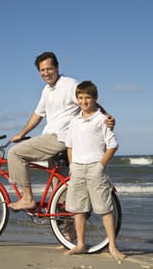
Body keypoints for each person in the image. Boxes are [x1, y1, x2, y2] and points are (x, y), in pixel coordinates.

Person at [8, 52, 115, 211]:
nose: (46, 73)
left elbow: (89, 101)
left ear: (57, 67)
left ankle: (27, 198)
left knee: (15, 153)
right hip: (58, 140)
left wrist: (106, 117)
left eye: (49, 69)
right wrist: (22, 133)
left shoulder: (70, 85)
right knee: (61, 189)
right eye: (42, 70)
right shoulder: (46, 90)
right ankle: (67, 229)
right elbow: (38, 114)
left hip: (59, 137)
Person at [65, 80, 125, 261]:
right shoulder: (74, 121)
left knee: (104, 208)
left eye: (88, 98)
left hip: (95, 168)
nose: (84, 101)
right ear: (77, 99)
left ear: (95, 99)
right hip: (77, 168)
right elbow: (69, 146)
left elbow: (112, 145)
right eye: (81, 98)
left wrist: (100, 166)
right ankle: (81, 244)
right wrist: (72, 165)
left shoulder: (101, 119)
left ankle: (113, 246)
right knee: (79, 209)